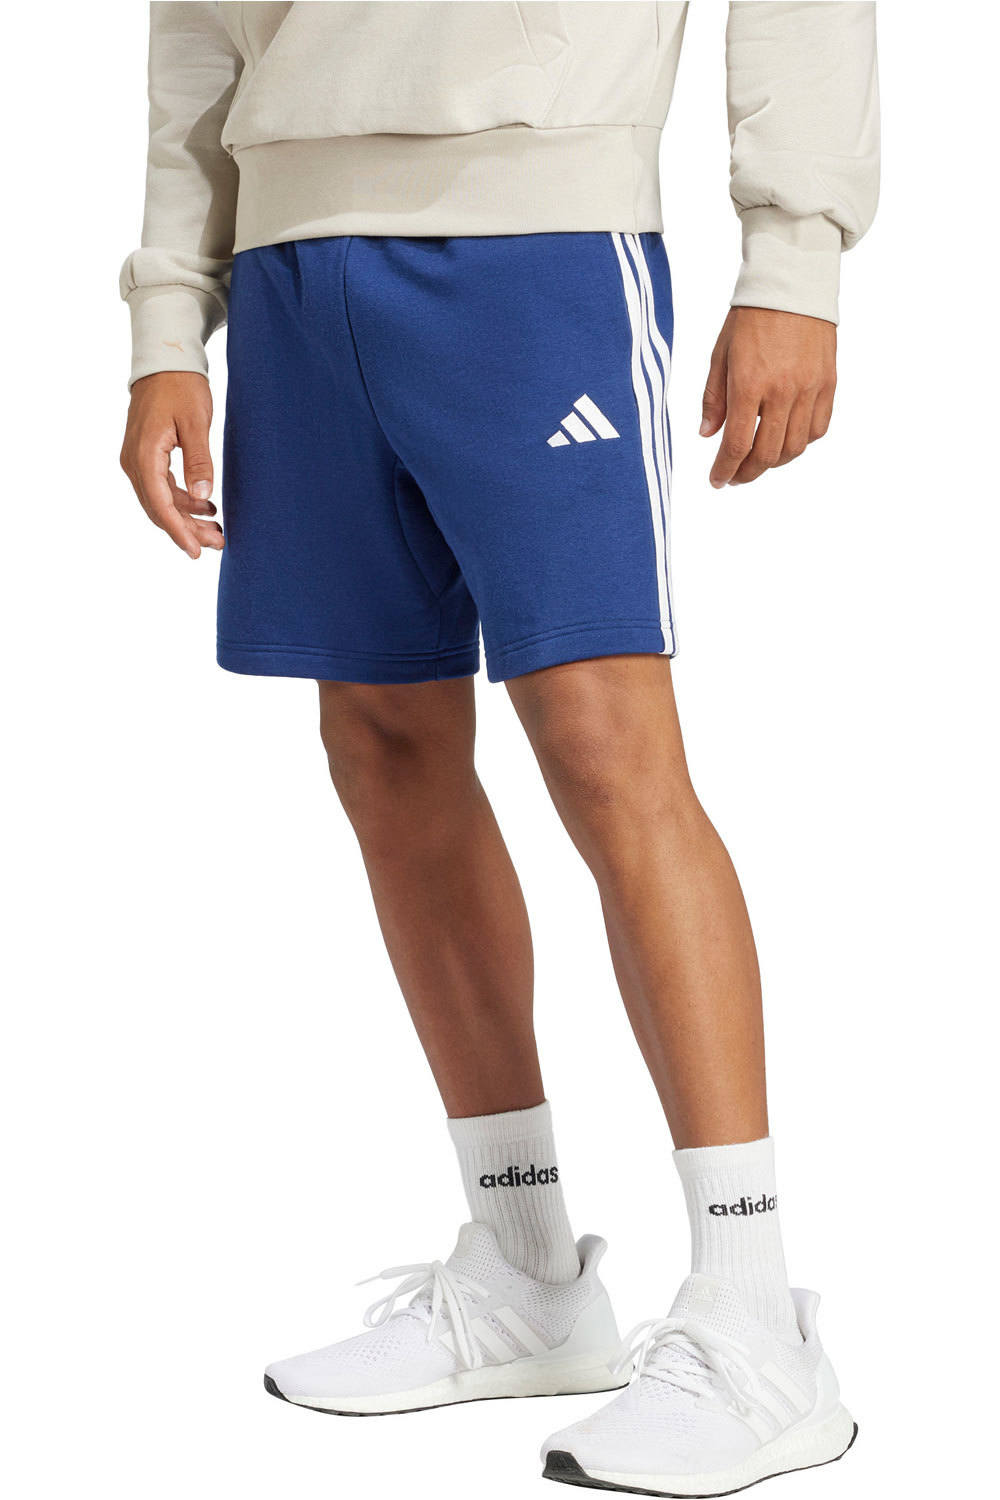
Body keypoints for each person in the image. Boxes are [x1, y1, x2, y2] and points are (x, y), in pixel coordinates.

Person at [119, 3, 879, 1493]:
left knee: (604, 743)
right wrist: (167, 322)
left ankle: (753, 1321)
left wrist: (794, 262)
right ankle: (528, 1268)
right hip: (291, 264)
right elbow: (197, 29)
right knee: (381, 738)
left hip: (541, 237)